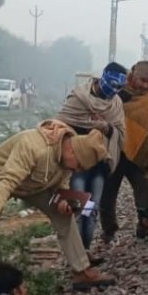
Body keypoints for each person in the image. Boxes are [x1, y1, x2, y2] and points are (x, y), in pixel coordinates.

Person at [0, 120, 112, 290]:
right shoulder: (33, 146)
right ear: (71, 150)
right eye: (78, 165)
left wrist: (63, 200)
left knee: (64, 217)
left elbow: (61, 182)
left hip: (34, 185)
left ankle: (81, 270)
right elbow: (7, 181)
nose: (78, 171)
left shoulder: (67, 156)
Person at [55, 63, 128, 249]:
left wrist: (106, 127)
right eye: (112, 84)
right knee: (79, 205)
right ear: (102, 78)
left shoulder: (116, 104)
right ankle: (77, 254)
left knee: (91, 208)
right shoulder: (79, 98)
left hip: (99, 165)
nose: (114, 90)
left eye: (119, 87)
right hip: (77, 165)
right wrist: (88, 126)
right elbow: (61, 124)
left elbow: (120, 133)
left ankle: (85, 250)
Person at [99, 61, 148, 242]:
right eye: (142, 80)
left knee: (144, 191)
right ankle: (109, 230)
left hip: (138, 152)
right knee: (108, 192)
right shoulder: (117, 92)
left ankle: (145, 226)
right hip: (114, 149)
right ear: (132, 76)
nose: (146, 85)